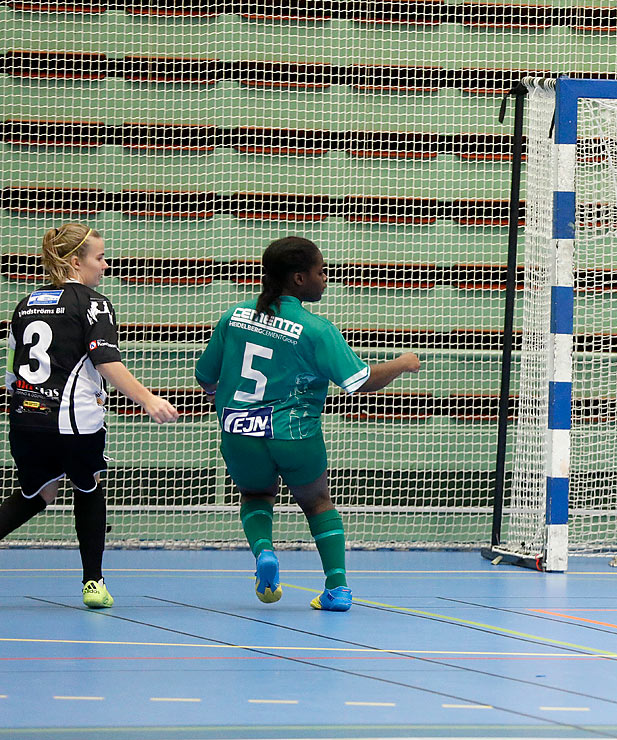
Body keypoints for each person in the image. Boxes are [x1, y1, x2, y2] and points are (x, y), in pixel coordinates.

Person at [195, 237, 420, 612]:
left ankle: (265, 552)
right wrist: (401, 363)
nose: (326, 278)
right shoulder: (316, 329)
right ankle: (337, 588)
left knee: (255, 495)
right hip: (294, 434)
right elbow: (359, 382)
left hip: (239, 433)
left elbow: (205, 376)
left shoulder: (233, 316)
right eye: (320, 271)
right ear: (299, 279)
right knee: (317, 503)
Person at [1, 223, 180, 608]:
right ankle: (93, 583)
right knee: (87, 485)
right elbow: (106, 360)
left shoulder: (25, 303)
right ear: (74, 262)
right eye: (98, 257)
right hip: (74, 420)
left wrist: (23, 408)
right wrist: (147, 399)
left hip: (25, 418)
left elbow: (13, 371)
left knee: (39, 492)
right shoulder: (93, 303)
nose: (104, 264)